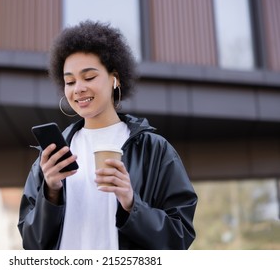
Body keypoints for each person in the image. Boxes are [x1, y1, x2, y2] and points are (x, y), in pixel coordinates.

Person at [18, 20, 198, 250]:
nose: (78, 88)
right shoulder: (53, 154)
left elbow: (179, 237)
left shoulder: (154, 150)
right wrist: (50, 192)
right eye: (70, 81)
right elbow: (31, 242)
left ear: (115, 78)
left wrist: (132, 204)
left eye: (89, 77)